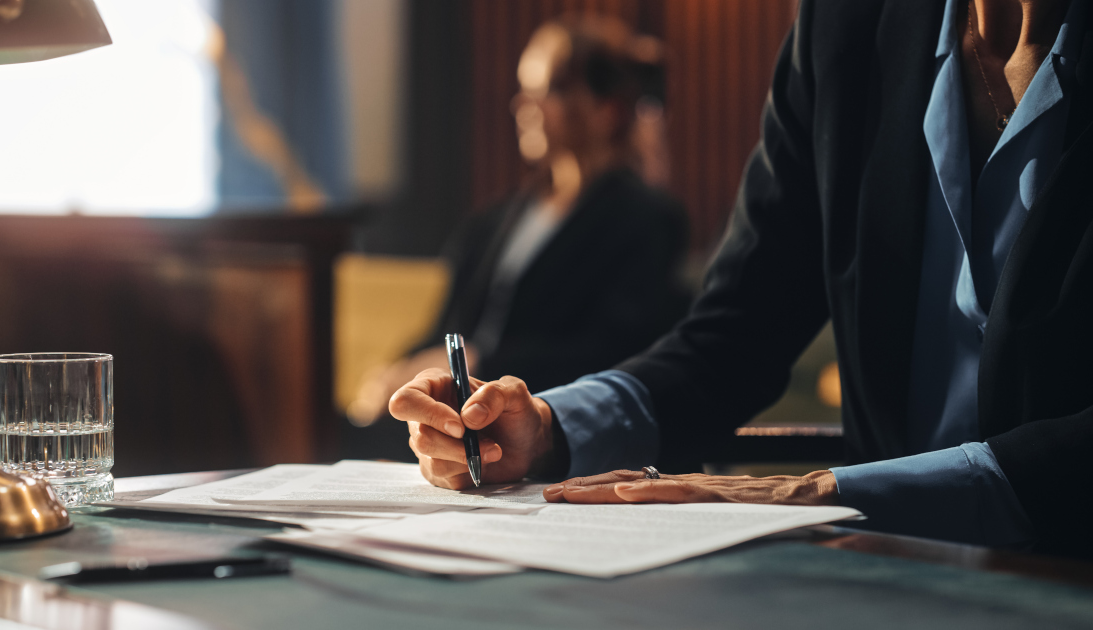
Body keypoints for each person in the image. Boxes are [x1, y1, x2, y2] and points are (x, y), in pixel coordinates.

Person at [390, 0, 1093, 559]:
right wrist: (548, 429)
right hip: (886, 573)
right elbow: (733, 333)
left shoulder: (634, 214)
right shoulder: (843, 23)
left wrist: (820, 492)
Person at [348, 17, 690, 425]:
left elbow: (612, 351)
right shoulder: (495, 220)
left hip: (543, 419)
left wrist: (481, 360)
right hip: (460, 407)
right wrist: (396, 372)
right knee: (352, 425)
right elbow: (447, 326)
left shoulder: (646, 219)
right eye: (526, 90)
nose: (524, 105)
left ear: (608, 109)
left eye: (550, 91)